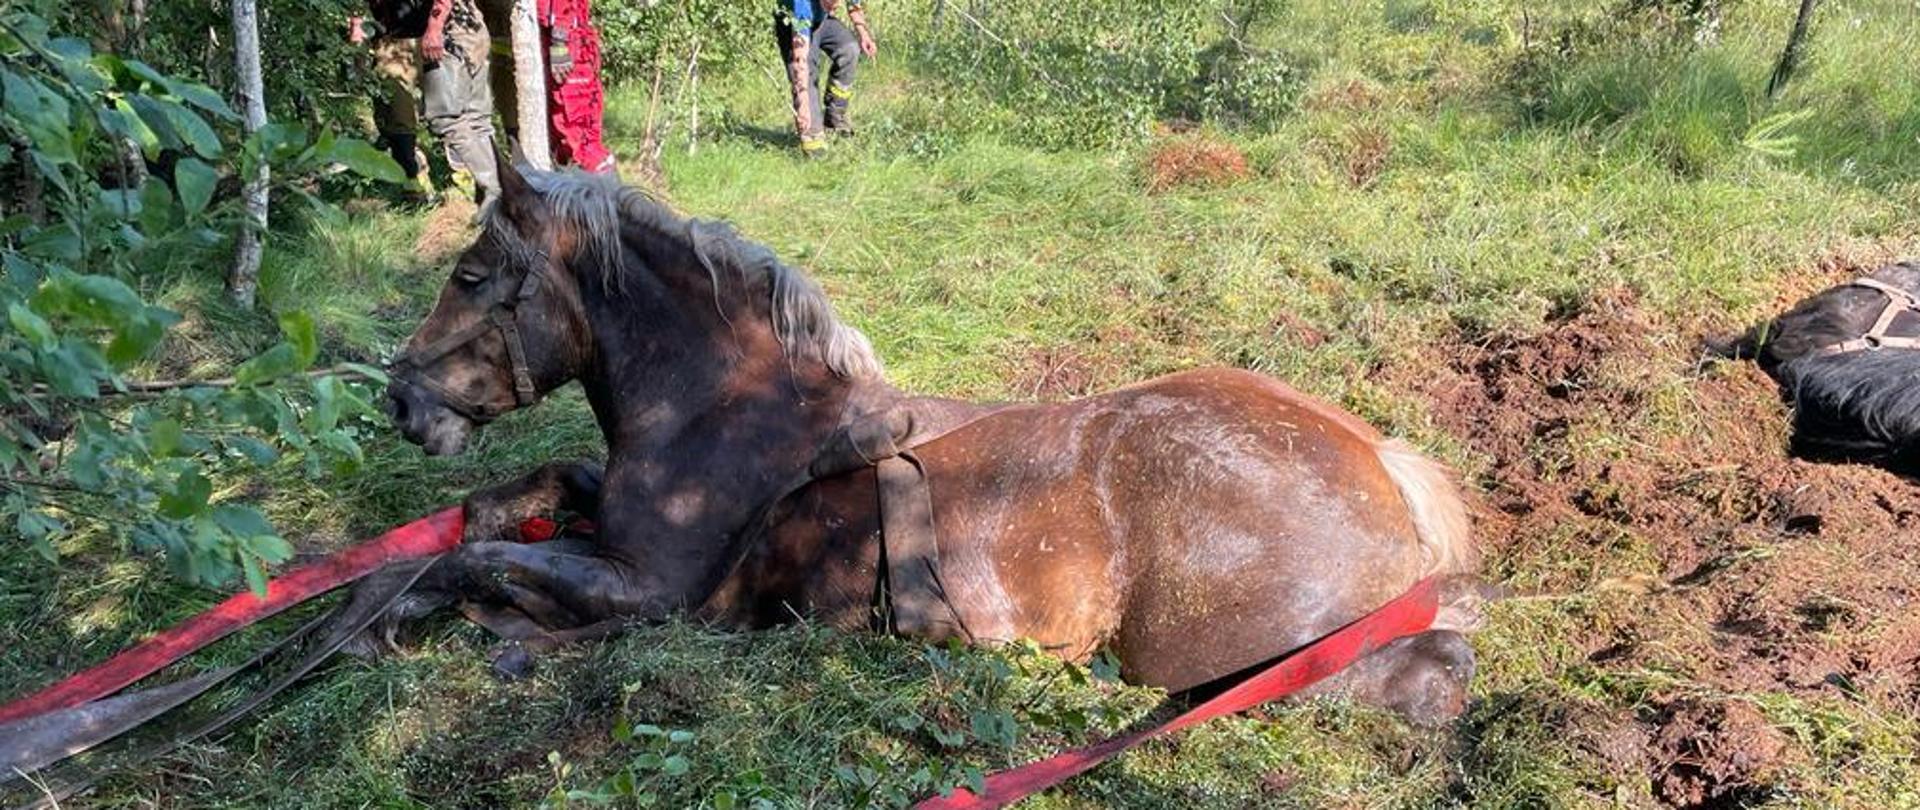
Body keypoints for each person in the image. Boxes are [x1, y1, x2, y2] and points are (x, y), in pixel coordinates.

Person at [349, 0, 501, 205]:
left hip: (446, 33)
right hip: (395, 36)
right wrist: (357, 29)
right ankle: (414, 185)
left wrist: (435, 28)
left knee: (458, 117)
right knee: (397, 115)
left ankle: (486, 188)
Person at [476, 0, 616, 174]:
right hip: (545, 38)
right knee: (558, 139)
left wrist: (560, 40)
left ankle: (607, 194)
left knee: (576, 137)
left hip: (568, 42)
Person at [776, 0, 877, 155]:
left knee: (849, 49)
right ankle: (813, 141)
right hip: (794, 27)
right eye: (832, 2)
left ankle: (834, 119)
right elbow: (800, 60)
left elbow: (853, 5)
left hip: (821, 21)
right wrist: (802, 105)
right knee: (808, 74)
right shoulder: (802, 5)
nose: (837, 7)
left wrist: (863, 34)